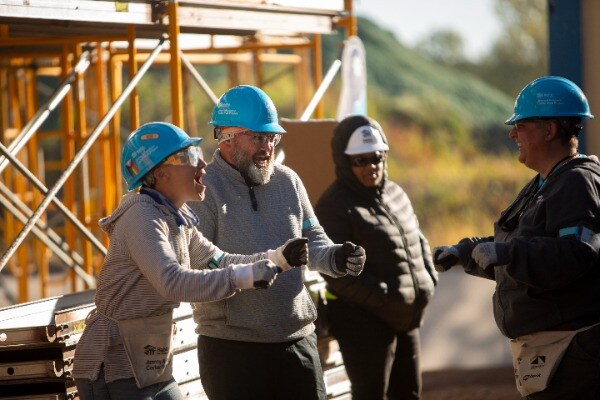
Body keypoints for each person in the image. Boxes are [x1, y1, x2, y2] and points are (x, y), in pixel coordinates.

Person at [73, 122, 308, 400]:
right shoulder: (142, 217)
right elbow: (172, 282)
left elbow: (217, 260)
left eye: (197, 152)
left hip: (148, 365)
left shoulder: (176, 219)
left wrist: (277, 259)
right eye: (189, 157)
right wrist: (243, 277)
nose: (202, 165)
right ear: (160, 173)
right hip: (114, 365)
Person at [188, 85, 366, 400]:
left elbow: (314, 242)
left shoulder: (288, 181)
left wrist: (336, 258)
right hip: (233, 350)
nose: (267, 147)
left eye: (272, 138)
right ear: (227, 137)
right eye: (258, 137)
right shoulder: (204, 190)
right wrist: (275, 260)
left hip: (297, 341)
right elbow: (201, 266)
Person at [433, 76, 600, 399]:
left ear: (549, 130)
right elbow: (520, 241)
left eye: (521, 125)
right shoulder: (548, 181)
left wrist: (507, 255)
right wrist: (465, 252)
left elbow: (577, 252)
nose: (513, 134)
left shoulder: (577, 182)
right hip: (553, 352)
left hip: (572, 355)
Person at [314, 115, 438, 400]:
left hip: (406, 317)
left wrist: (429, 279)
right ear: (345, 162)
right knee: (370, 394)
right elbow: (336, 272)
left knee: (408, 394)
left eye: (376, 157)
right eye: (360, 161)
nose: (371, 167)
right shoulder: (334, 207)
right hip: (363, 322)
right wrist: (385, 298)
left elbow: (419, 240)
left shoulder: (396, 193)